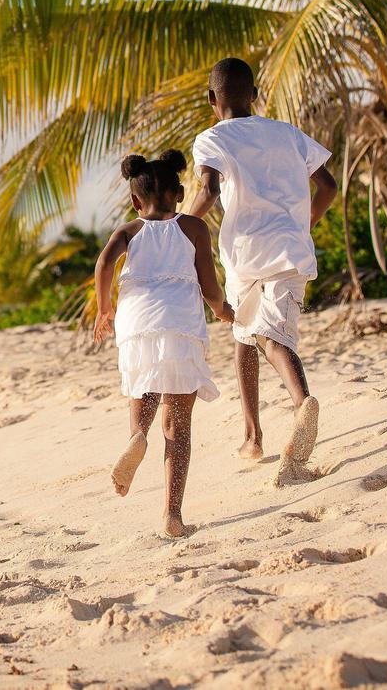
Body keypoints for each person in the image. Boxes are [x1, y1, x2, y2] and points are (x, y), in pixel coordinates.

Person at [186, 58, 338, 473]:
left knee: (257, 337)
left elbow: (209, 189)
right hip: (286, 250)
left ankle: (293, 411)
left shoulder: (211, 138)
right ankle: (258, 433)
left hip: (242, 254)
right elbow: (328, 185)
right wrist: (303, 224)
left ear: (211, 99)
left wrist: (180, 227)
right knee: (260, 335)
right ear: (254, 95)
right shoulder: (286, 133)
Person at [93, 150, 233, 538]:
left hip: (137, 321)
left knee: (142, 389)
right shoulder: (193, 228)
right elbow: (208, 282)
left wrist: (105, 309)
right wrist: (221, 309)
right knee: (178, 424)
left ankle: (137, 436)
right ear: (180, 193)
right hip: (180, 323)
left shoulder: (128, 231)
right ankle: (172, 515)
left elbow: (104, 264)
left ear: (135, 201)